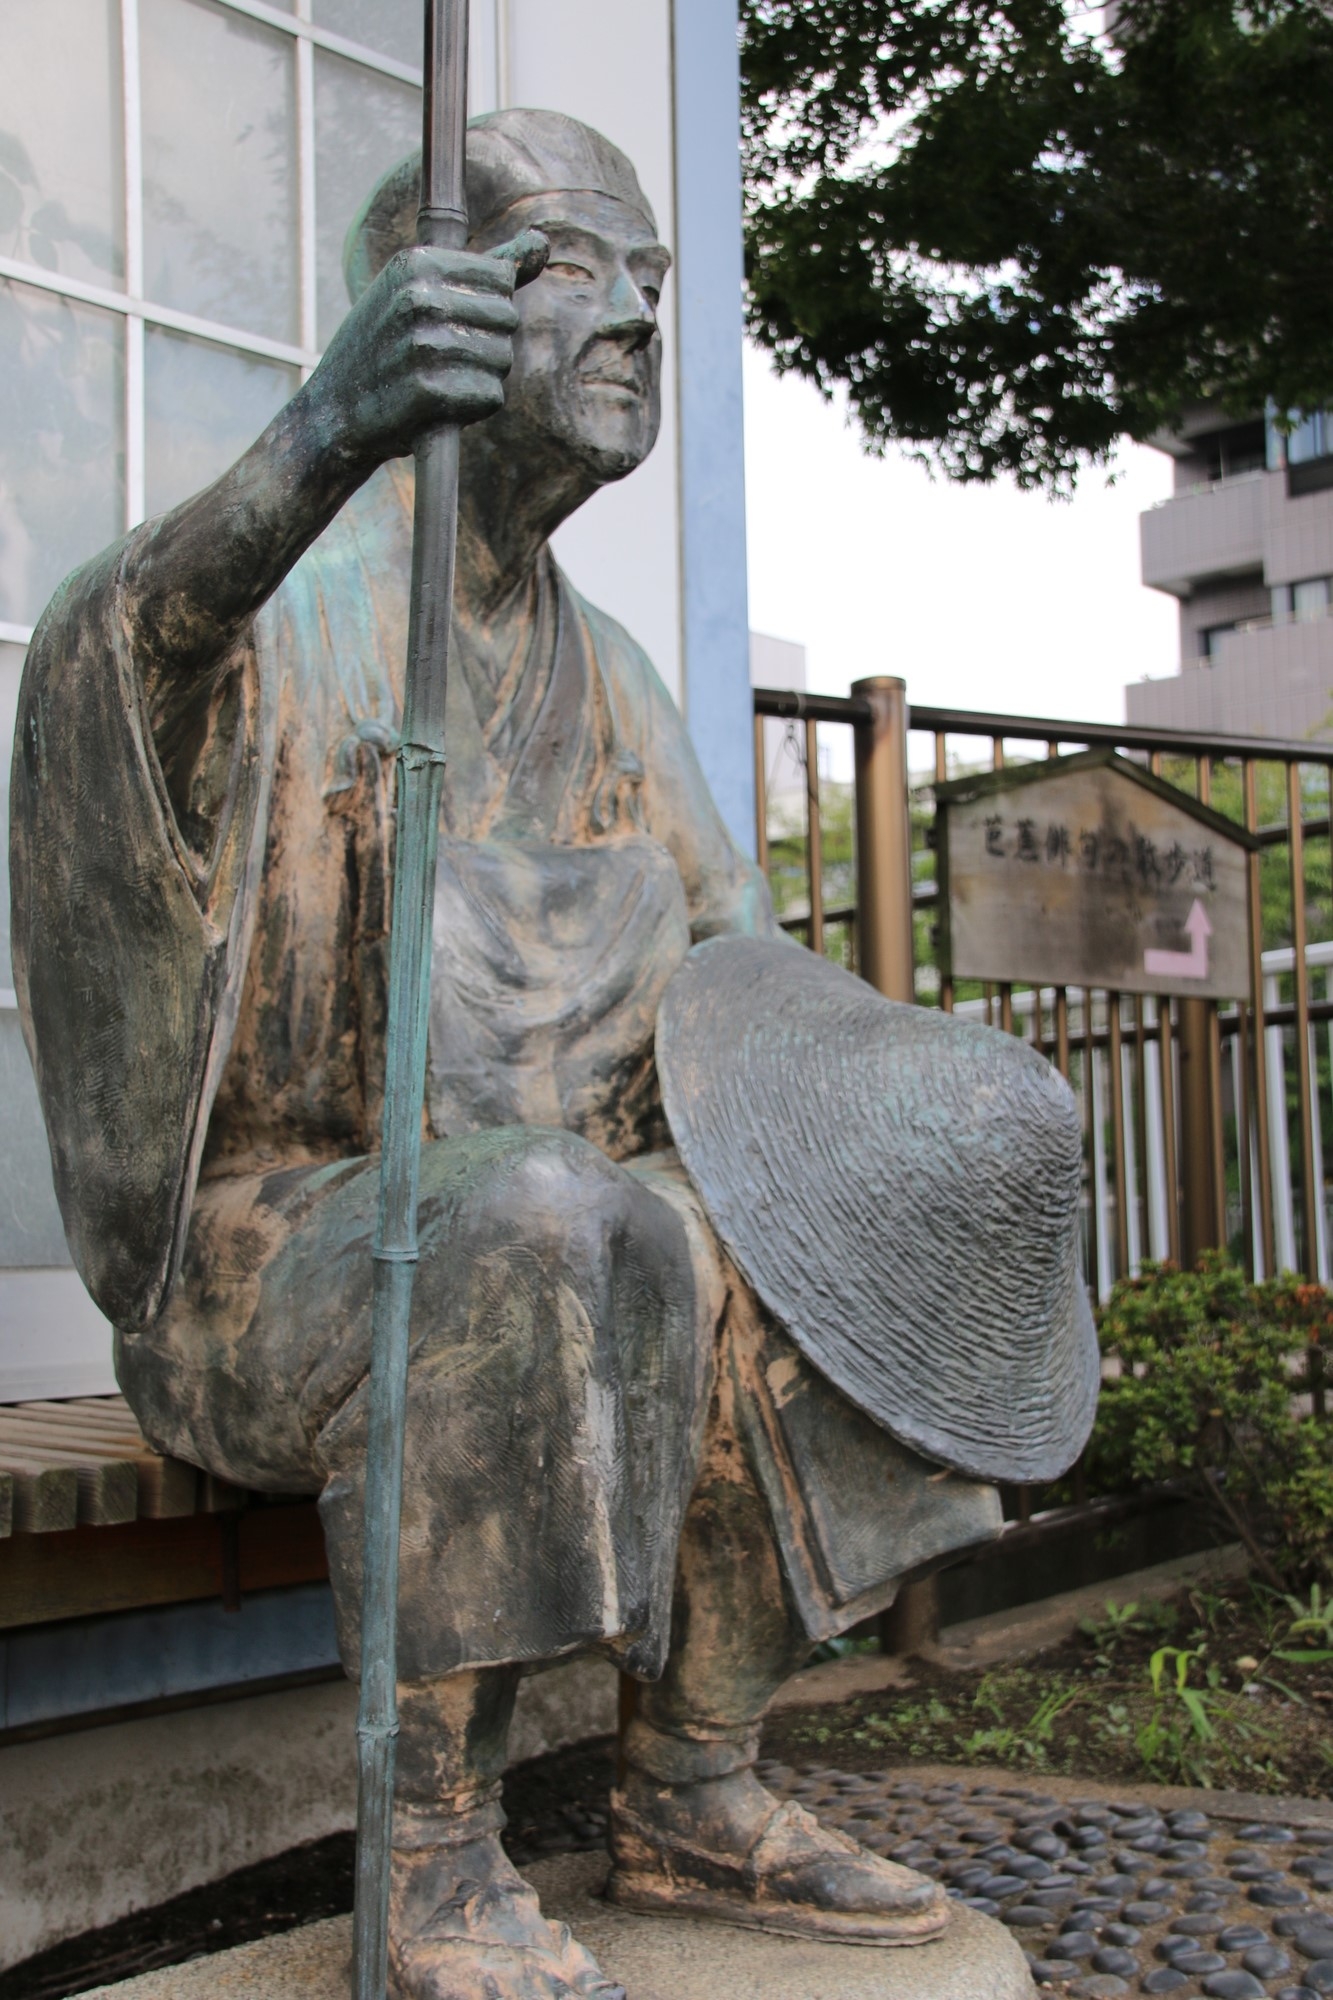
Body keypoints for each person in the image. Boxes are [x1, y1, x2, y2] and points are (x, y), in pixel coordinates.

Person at [11, 110, 1097, 2000]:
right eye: (574, 271)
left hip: (566, 1221)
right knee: (525, 1213)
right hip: (274, 1256)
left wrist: (914, 1126)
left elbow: (740, 970)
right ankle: (430, 1852)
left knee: (766, 1221)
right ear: (421, 307)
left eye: (655, 283)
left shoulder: (604, 670)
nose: (635, 322)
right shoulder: (291, 602)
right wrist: (316, 437)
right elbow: (108, 663)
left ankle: (693, 1780)